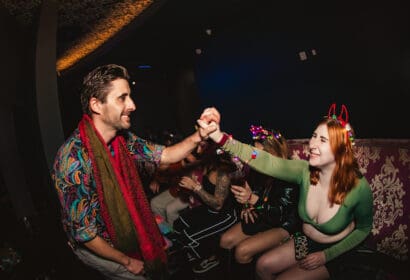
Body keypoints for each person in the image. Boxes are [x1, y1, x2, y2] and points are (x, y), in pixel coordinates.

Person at [51, 64, 216, 280]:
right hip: (103, 248)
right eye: (122, 98)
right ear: (96, 105)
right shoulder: (72, 161)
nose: (132, 105)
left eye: (130, 97)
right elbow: (84, 234)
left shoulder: (123, 141)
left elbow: (166, 155)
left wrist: (199, 136)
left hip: (128, 230)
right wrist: (127, 262)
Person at [198, 104, 373, 279]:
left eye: (323, 140)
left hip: (337, 252)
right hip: (306, 241)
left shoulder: (358, 188)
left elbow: (363, 229)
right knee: (262, 266)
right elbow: (266, 161)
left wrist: (326, 256)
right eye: (314, 136)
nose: (312, 144)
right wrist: (219, 137)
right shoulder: (304, 171)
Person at [219, 125, 300, 266]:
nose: (254, 156)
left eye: (258, 152)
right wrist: (246, 205)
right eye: (254, 151)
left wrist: (252, 199)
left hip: (284, 223)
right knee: (225, 241)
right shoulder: (258, 169)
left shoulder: (289, 173)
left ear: (273, 152)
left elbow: (279, 214)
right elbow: (255, 192)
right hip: (262, 214)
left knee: (242, 251)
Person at [171, 142, 239, 274]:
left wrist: (196, 188)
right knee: (178, 224)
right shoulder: (207, 166)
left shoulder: (222, 174)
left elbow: (218, 205)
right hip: (208, 209)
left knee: (188, 237)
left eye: (202, 147)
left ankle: (211, 257)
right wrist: (195, 186)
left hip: (226, 216)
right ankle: (194, 251)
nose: (198, 149)